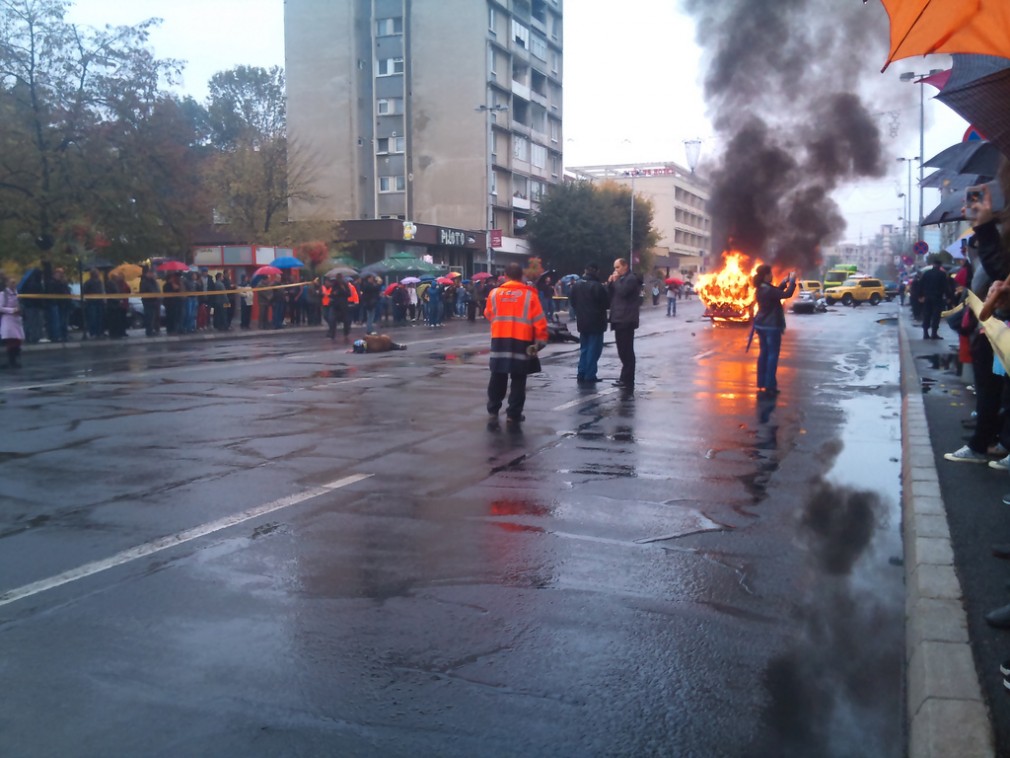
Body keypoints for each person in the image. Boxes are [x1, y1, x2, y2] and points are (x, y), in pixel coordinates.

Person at [484, 261, 549, 425]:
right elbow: (539, 322)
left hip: (499, 340)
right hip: (522, 341)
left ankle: (493, 410)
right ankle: (513, 414)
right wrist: (540, 341)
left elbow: (488, 314)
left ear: (505, 276)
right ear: (521, 277)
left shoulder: (494, 294)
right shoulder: (530, 296)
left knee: (497, 375)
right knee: (519, 378)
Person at [752, 264, 796, 395]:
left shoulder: (761, 288)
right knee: (772, 355)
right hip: (772, 326)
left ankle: (761, 383)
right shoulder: (768, 290)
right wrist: (792, 281)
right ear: (766, 275)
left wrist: (783, 282)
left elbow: (776, 293)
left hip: (761, 325)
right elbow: (786, 294)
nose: (772, 276)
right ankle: (770, 385)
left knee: (763, 354)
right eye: (770, 274)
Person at [569, 263, 609, 385]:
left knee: (584, 349)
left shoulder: (576, 286)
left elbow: (572, 302)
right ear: (596, 272)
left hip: (582, 322)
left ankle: (581, 372)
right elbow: (606, 304)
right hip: (596, 322)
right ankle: (590, 375)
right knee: (594, 349)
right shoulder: (598, 287)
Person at [607, 257, 643, 389]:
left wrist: (616, 282)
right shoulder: (621, 280)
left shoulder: (630, 279)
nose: (615, 270)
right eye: (615, 267)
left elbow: (623, 292)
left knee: (626, 350)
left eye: (617, 267)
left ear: (625, 266)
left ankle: (628, 379)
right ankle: (624, 377)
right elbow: (612, 295)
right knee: (621, 350)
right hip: (618, 318)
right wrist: (610, 283)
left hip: (626, 319)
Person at [919, 256, 951, 339]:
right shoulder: (942, 274)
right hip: (937, 297)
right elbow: (945, 286)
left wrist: (921, 296)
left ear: (933, 265)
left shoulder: (926, 273)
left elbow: (921, 285)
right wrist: (948, 297)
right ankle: (934, 333)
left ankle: (925, 333)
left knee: (927, 314)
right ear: (940, 266)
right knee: (936, 315)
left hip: (927, 297)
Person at [0, 273, 25, 368]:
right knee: (11, 340)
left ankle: (15, 360)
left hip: (17, 319)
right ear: (7, 284)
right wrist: (12, 310)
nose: (13, 285)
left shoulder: (17, 293)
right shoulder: (3, 294)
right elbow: (0, 307)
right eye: (12, 283)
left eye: (14, 283)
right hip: (8, 319)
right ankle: (11, 361)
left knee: (18, 340)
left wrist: (20, 309)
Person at [82, 268, 105, 338]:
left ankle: (99, 332)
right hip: (91, 303)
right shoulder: (88, 282)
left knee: (99, 318)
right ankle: (93, 332)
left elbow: (102, 291)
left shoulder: (100, 282)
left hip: (99, 302)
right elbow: (84, 291)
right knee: (93, 318)